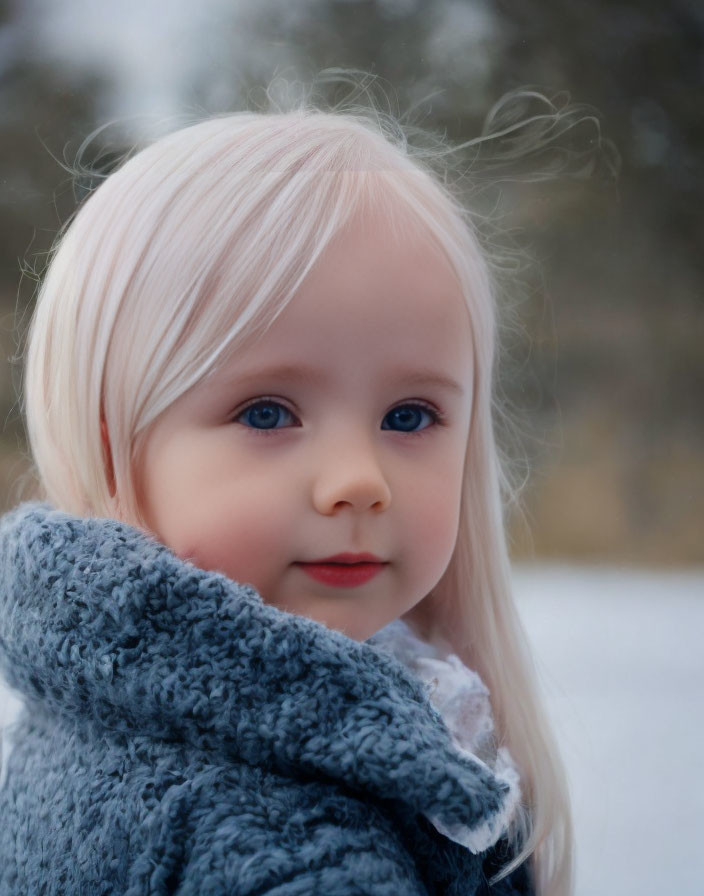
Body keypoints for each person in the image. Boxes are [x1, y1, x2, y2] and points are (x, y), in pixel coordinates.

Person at [0, 89, 573, 894]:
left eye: (409, 415)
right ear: (112, 442)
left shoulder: (91, 704)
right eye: (268, 412)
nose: (358, 481)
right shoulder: (288, 845)